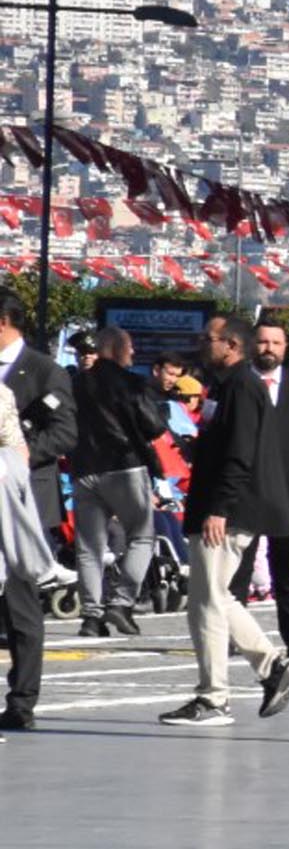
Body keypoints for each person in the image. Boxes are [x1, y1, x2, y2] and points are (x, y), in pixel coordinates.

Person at [158, 314, 289, 727]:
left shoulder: (241, 387)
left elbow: (241, 453)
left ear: (232, 345)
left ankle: (215, 697)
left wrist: (220, 508)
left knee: (208, 601)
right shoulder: (231, 387)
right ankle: (270, 667)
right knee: (216, 597)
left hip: (229, 509)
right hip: (222, 505)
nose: (203, 344)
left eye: (210, 339)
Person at [0, 292, 76, 733]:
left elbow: (65, 432)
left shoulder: (45, 370)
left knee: (21, 607)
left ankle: (22, 699)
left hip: (21, 504)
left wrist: (22, 455)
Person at [230, 317, 289, 659]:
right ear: (252, 346)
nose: (268, 348)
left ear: (286, 348)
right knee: (238, 568)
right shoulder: (236, 381)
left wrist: (286, 458)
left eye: (275, 343)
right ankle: (234, 636)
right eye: (263, 342)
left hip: (288, 486)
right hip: (245, 488)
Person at [71, 325, 168, 637]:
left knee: (89, 546)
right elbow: (153, 426)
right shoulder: (130, 383)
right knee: (142, 536)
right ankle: (121, 602)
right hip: (124, 466)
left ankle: (91, 616)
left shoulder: (75, 383)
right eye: (129, 346)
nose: (134, 352)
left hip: (83, 469)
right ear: (113, 348)